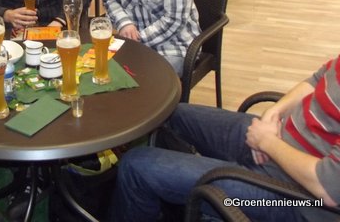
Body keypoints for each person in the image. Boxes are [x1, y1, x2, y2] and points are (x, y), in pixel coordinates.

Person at [110, 57, 340, 221]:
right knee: (171, 114)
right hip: (276, 136)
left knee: (135, 166)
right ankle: (171, 202)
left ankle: (170, 192)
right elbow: (318, 78)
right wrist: (274, 112)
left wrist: (267, 142)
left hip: (297, 200)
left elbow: (328, 188)